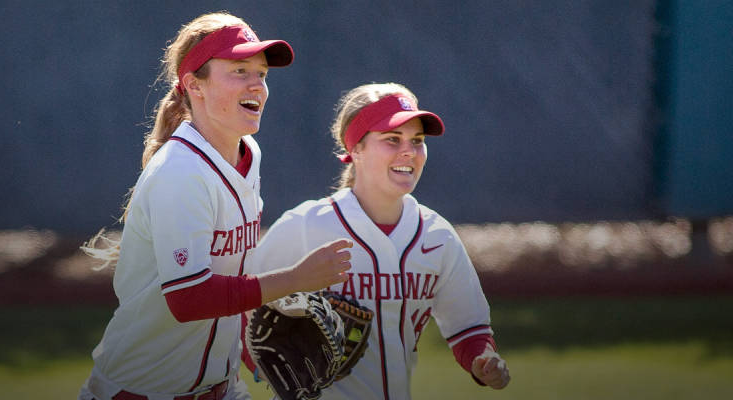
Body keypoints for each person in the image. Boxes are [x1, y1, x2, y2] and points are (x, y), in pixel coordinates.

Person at [78, 12, 352, 400]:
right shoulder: (180, 171)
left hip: (221, 389)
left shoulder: (247, 154)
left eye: (262, 73)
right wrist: (295, 278)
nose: (257, 84)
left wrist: (250, 351)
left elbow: (232, 271)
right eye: (239, 70)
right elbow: (189, 299)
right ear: (195, 85)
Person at [247, 83, 510, 399]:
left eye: (417, 141)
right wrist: (262, 366)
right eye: (392, 140)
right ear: (355, 149)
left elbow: (469, 328)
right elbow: (241, 300)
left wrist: (484, 360)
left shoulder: (437, 236)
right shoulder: (307, 226)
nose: (409, 151)